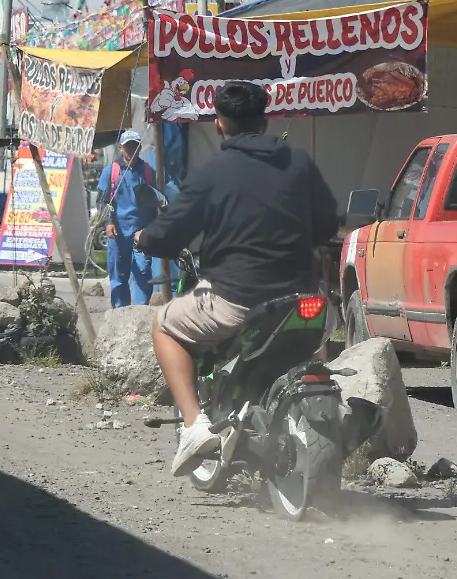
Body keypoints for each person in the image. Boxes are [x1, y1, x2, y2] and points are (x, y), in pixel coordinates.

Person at [135, 81, 340, 476]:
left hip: (236, 301)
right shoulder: (299, 164)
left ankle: (194, 426)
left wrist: (147, 238)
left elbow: (170, 232)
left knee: (163, 324)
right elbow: (327, 225)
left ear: (219, 125)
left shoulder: (212, 173)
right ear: (265, 122)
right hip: (302, 300)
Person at [96, 130, 159, 308]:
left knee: (143, 272)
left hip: (141, 232)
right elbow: (102, 200)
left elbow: (156, 201)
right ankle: (118, 313)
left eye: (135, 145)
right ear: (121, 148)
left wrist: (152, 229)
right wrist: (108, 223)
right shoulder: (111, 171)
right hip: (118, 233)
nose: (131, 150)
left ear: (140, 147)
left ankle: (141, 312)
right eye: (128, 146)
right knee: (118, 274)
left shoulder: (147, 172)